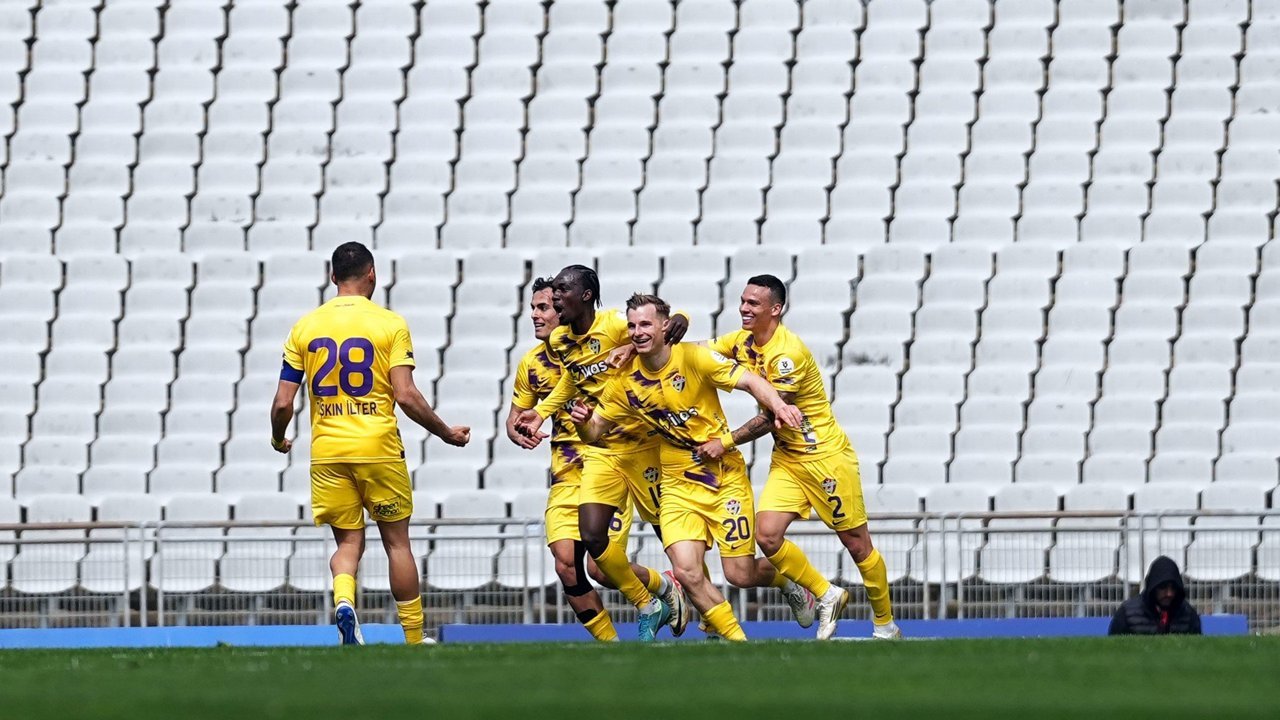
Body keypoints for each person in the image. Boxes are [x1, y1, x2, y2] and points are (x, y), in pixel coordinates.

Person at [571, 294, 812, 642]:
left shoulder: (695, 358)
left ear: (664, 326)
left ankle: (787, 582)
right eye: (633, 326)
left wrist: (778, 405)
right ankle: (737, 643)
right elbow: (595, 432)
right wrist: (582, 422)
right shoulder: (625, 381)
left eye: (646, 324)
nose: (638, 332)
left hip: (722, 476)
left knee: (740, 574)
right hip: (676, 483)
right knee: (686, 571)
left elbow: (749, 380)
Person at [269, 241, 471, 645]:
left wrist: (278, 438)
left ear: (332, 277)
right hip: (378, 447)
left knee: (348, 543)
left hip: (328, 452)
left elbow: (283, 402)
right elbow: (406, 395)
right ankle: (413, 637)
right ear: (372, 274)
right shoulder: (389, 324)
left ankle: (344, 602)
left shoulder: (304, 327)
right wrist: (445, 432)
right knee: (397, 544)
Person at [708, 275, 901, 640]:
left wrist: (726, 442)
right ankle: (827, 594)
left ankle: (885, 624)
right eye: (743, 301)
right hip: (788, 459)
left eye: (753, 303)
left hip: (824, 458)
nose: (743, 308)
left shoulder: (788, 354)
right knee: (767, 536)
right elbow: (699, 351)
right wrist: (658, 340)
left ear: (775, 309)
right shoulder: (741, 341)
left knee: (857, 543)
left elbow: (772, 416)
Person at [504, 277, 687, 642]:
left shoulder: (609, 334)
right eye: (536, 307)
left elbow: (656, 330)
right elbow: (515, 418)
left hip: (611, 458)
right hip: (566, 470)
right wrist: (519, 429)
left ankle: (666, 589)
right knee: (566, 566)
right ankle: (611, 647)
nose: (538, 314)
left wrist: (671, 324)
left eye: (546, 307)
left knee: (601, 568)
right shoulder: (533, 363)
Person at [1109, 556, 1203, 635]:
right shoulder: (1126, 614)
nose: (1169, 593)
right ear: (1152, 587)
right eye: (1163, 587)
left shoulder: (1188, 614)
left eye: (1173, 588)